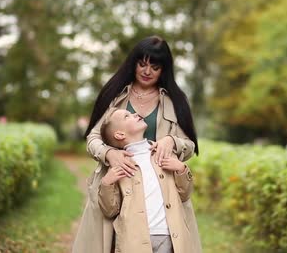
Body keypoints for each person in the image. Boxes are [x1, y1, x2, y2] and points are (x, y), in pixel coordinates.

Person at [72, 35, 201, 253]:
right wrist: (109, 154)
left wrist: (172, 141)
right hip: (119, 189)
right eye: (142, 64)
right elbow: (93, 137)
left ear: (164, 69)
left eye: (155, 66)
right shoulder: (115, 95)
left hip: (159, 195)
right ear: (134, 63)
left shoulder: (175, 100)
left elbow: (189, 144)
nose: (147, 71)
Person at [98, 108, 196, 253]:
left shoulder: (164, 153)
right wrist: (106, 183)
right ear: (119, 134)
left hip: (168, 235)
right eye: (127, 116)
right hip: (134, 240)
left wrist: (181, 169)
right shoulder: (119, 166)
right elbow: (110, 210)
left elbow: (184, 194)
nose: (136, 114)